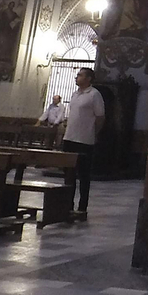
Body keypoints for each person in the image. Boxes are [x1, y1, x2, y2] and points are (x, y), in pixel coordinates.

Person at [63, 68, 105, 214]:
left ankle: (82, 207)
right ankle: (67, 204)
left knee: (83, 175)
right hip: (69, 138)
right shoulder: (75, 94)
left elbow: (100, 117)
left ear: (88, 79)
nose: (76, 77)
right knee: (69, 174)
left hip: (84, 140)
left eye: (80, 75)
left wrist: (93, 133)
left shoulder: (94, 95)